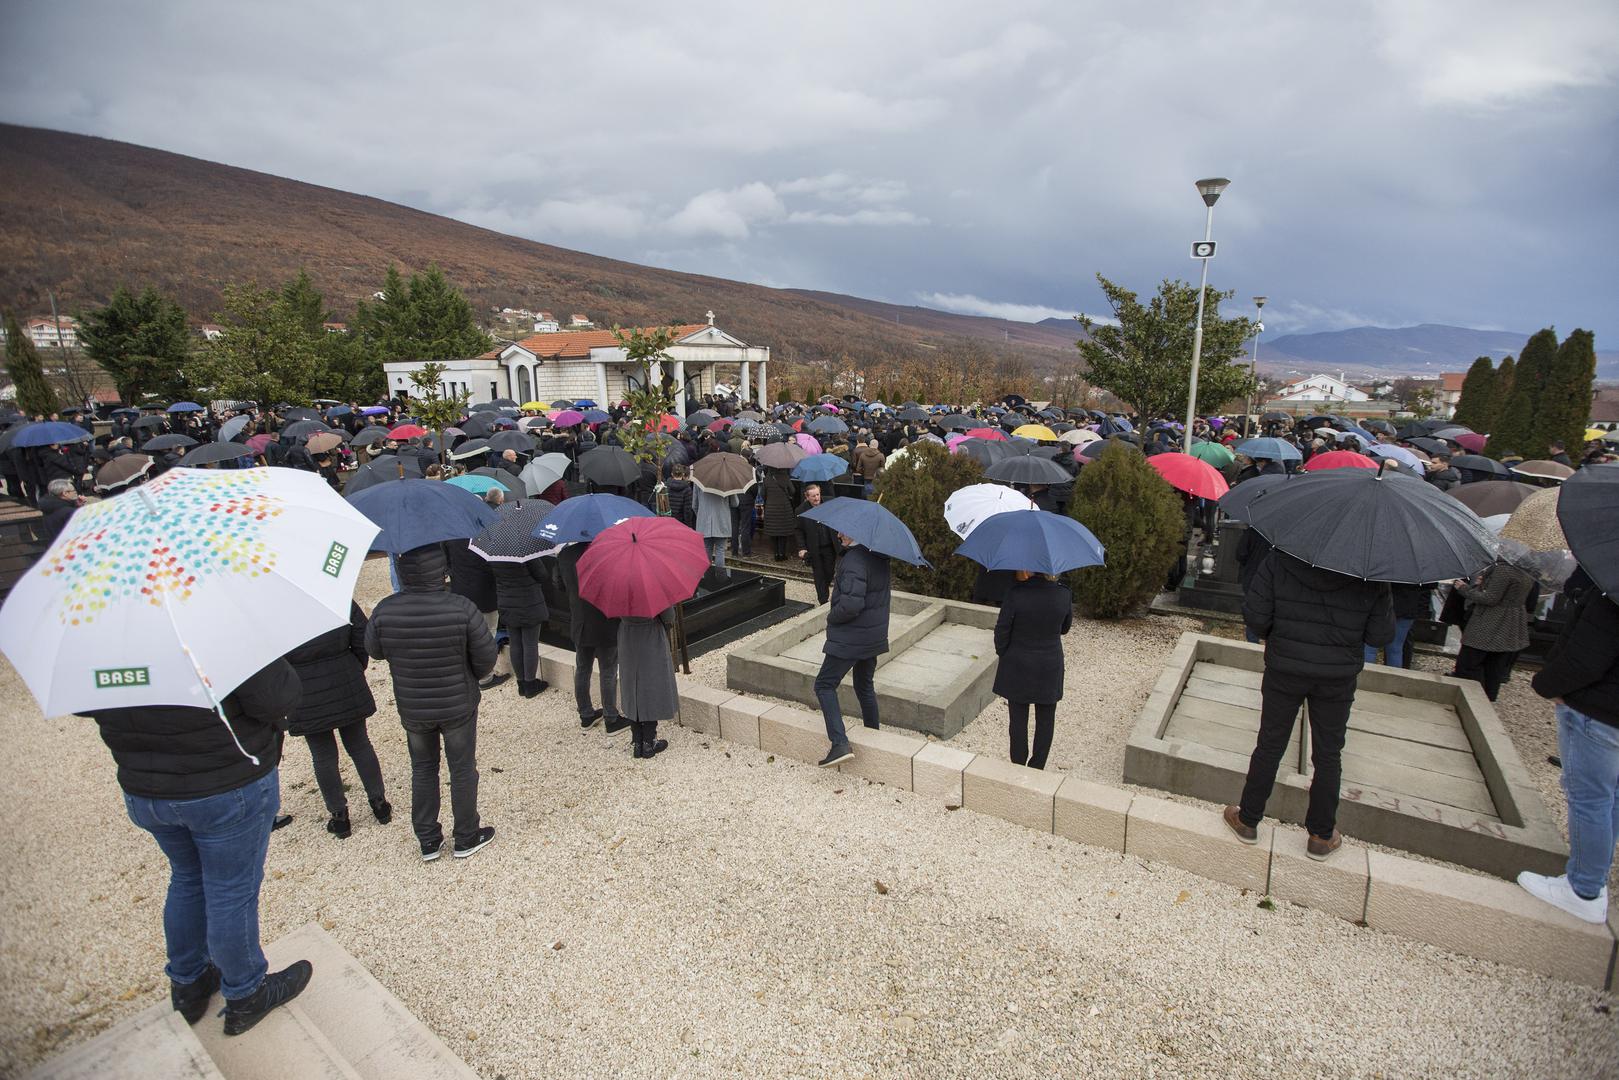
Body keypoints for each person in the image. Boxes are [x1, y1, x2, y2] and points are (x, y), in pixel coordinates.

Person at [83, 657, 313, 1036]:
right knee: (230, 891)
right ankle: (246, 992)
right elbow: (276, 698)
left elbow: (84, 702)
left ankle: (188, 984)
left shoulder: (103, 638)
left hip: (148, 787)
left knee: (188, 878)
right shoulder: (214, 626)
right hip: (224, 783)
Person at [1224, 550, 1394, 861]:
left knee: (1270, 743)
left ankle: (1248, 819)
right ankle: (1321, 834)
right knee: (1329, 753)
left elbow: (1257, 619)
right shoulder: (1370, 574)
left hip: (1285, 668)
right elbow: (1380, 635)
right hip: (1337, 676)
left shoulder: (1279, 559)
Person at [366, 543, 499, 861]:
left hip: (413, 705)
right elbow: (486, 658)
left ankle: (428, 839)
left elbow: (374, 650)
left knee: (423, 769)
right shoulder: (461, 607)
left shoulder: (386, 610)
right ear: (442, 570)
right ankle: (466, 835)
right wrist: (469, 674)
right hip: (457, 703)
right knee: (462, 768)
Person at [1517, 571, 1619, 923]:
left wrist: (1547, 684)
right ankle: (1593, 877)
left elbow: (1585, 658)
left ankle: (1583, 889)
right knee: (1609, 798)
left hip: (1598, 710)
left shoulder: (1611, 590)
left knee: (1590, 800)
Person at [813, 533, 891, 767]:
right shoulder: (879, 556)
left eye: (843, 531)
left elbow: (851, 604)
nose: (838, 535)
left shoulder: (854, 560)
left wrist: (831, 616)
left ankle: (839, 743)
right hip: (872, 635)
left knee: (824, 685)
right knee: (864, 685)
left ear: (857, 533)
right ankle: (873, 734)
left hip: (851, 636)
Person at [993, 571, 1073, 769]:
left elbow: (1002, 630)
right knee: (1046, 718)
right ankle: (1038, 765)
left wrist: (1005, 653)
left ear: (1029, 569)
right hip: (1050, 663)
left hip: (1018, 662)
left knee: (1018, 717)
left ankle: (1018, 763)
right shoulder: (1064, 594)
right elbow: (1065, 628)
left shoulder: (1016, 593)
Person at [557, 541, 627, 733]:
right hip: (605, 621)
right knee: (608, 670)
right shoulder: (607, 553)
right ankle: (611, 717)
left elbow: (559, 584)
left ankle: (586, 714)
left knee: (583, 668)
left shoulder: (565, 554)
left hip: (580, 619)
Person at [1451, 558, 1535, 701]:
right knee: (1495, 665)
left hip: (1490, 621)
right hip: (1510, 621)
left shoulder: (1504, 570)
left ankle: (1472, 698)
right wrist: (1482, 584)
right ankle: (1488, 697)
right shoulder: (1526, 571)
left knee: (1469, 662)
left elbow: (1490, 598)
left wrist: (1463, 588)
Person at [617, 605, 677, 759]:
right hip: (650, 637)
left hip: (627, 636)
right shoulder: (652, 585)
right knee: (651, 685)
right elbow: (669, 616)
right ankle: (649, 742)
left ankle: (637, 741)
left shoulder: (619, 587)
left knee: (632, 687)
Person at [794, 483, 839, 604]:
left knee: (829, 572)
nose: (816, 498)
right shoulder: (800, 510)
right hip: (814, 548)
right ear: (807, 497)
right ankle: (823, 600)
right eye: (813, 496)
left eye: (818, 494)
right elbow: (798, 530)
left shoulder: (829, 504)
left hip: (829, 546)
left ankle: (823, 591)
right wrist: (802, 548)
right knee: (819, 574)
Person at [693, 482, 736, 576]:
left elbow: (694, 505)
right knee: (720, 550)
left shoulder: (699, 481)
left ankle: (708, 575)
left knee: (707, 548)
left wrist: (701, 516)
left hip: (704, 520)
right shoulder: (727, 481)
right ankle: (720, 577)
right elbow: (735, 503)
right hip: (721, 520)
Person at [761, 467, 798, 559]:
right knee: (783, 532)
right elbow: (793, 491)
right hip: (784, 508)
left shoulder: (767, 479)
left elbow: (762, 494)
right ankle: (782, 554)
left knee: (774, 532)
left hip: (770, 509)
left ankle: (776, 554)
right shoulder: (785, 477)